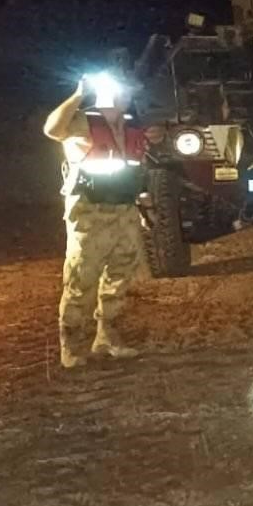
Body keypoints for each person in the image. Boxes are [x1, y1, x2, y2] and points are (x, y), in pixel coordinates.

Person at [41, 72, 157, 368]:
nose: (125, 96)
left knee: (121, 276)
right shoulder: (81, 120)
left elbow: (136, 167)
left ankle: (108, 336)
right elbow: (51, 129)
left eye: (128, 91)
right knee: (82, 278)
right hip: (90, 213)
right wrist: (78, 93)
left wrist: (144, 202)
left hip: (124, 211)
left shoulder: (132, 126)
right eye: (120, 89)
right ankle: (72, 344)